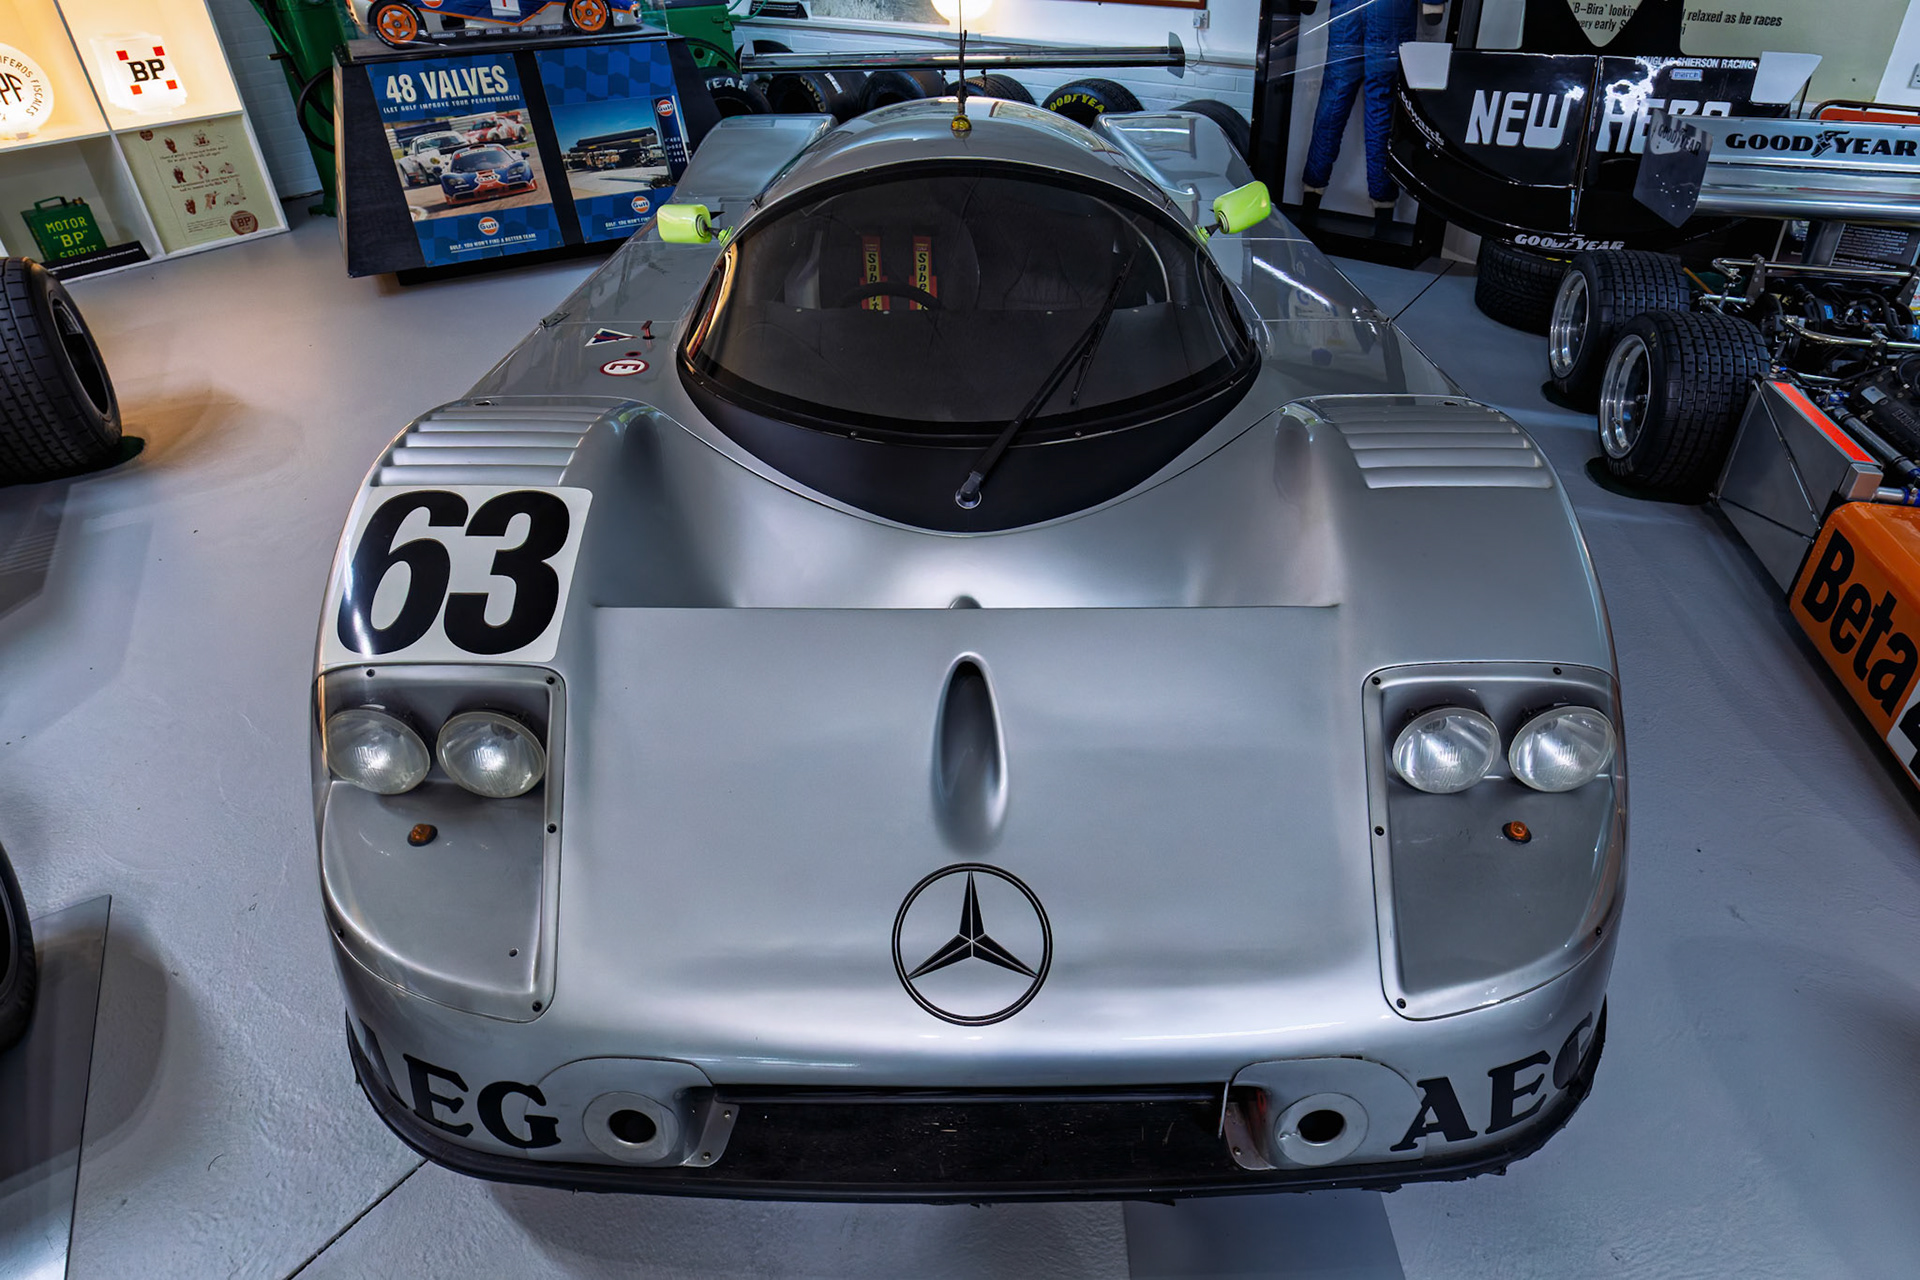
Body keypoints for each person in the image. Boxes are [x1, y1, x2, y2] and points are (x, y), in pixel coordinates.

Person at [1301, 0, 1445, 236]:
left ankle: (1311, 198)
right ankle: (1383, 213)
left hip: (1346, 10)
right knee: (1380, 106)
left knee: (1335, 96)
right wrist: (1433, 4)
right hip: (1389, 10)